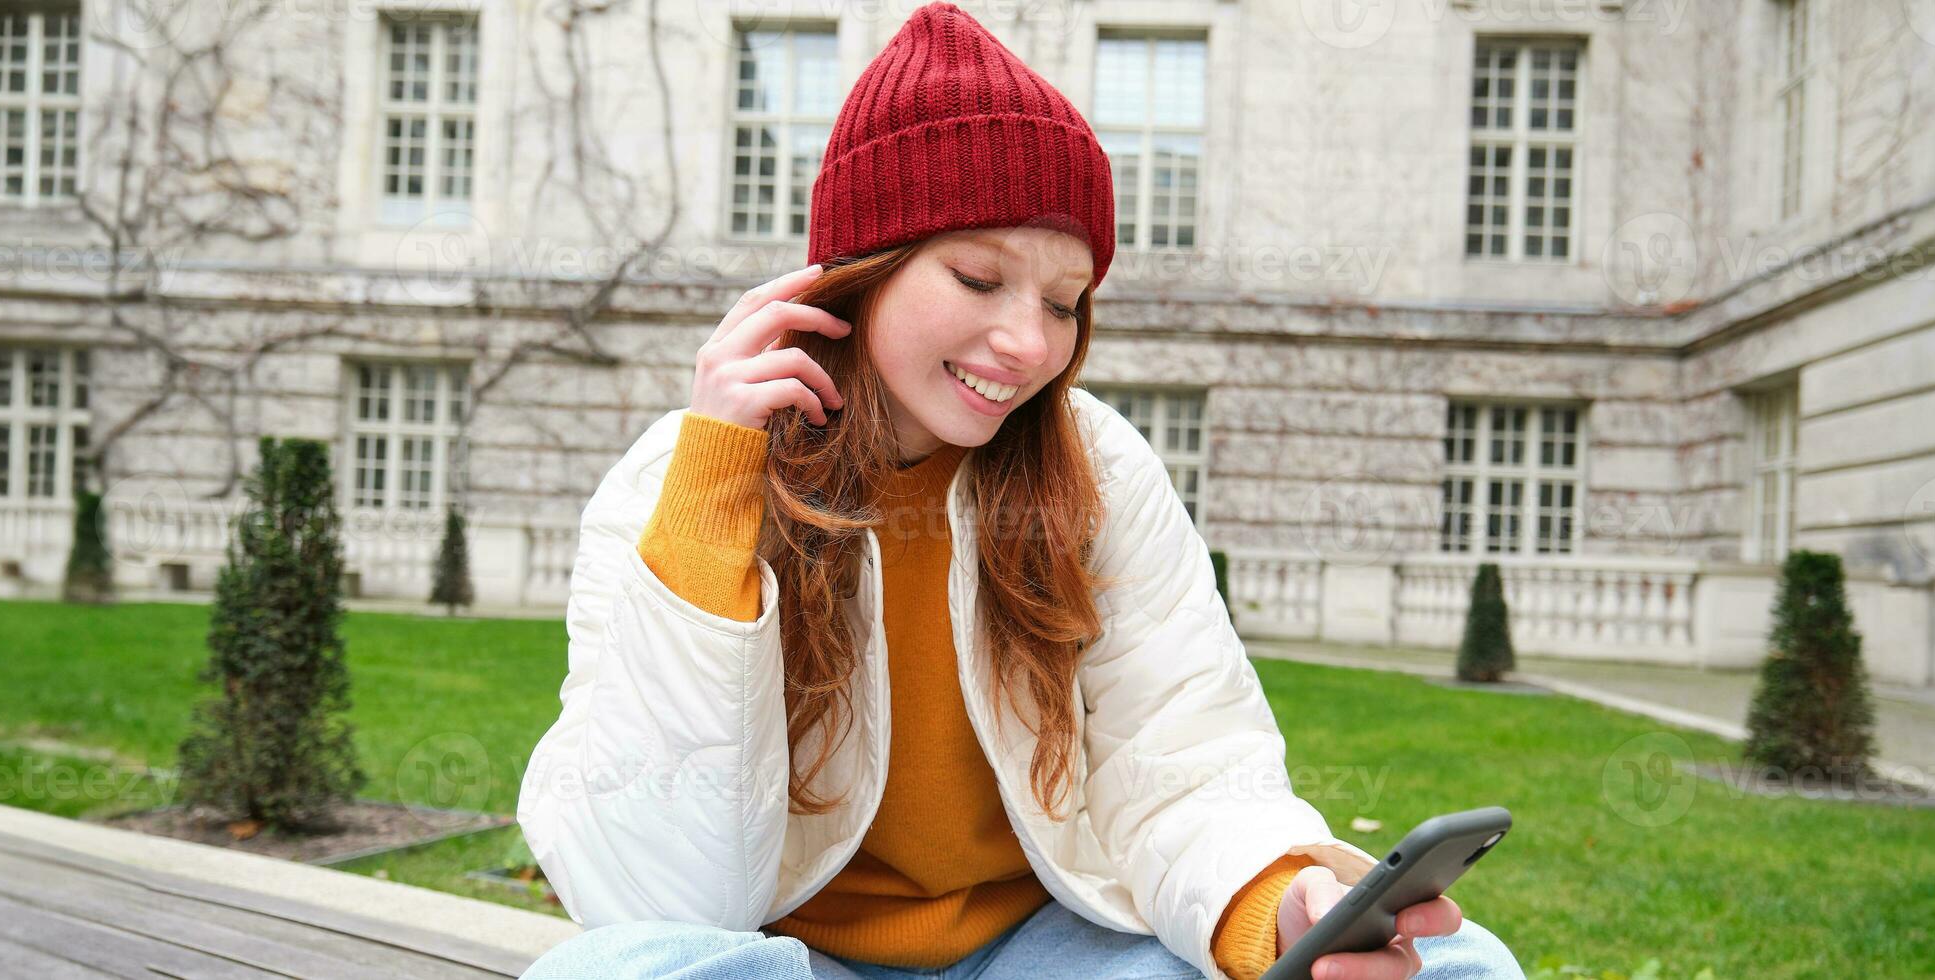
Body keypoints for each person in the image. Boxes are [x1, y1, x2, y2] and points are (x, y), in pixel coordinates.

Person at [515, 6, 1522, 979]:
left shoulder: (1100, 470)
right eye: (976, 276)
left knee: (1452, 961)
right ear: (860, 271)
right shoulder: (674, 480)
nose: (1029, 344)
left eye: (1061, 301)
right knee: (621, 964)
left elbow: (1186, 763)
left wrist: (1276, 911)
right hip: (787, 956)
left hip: (1044, 949)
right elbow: (650, 888)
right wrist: (709, 505)